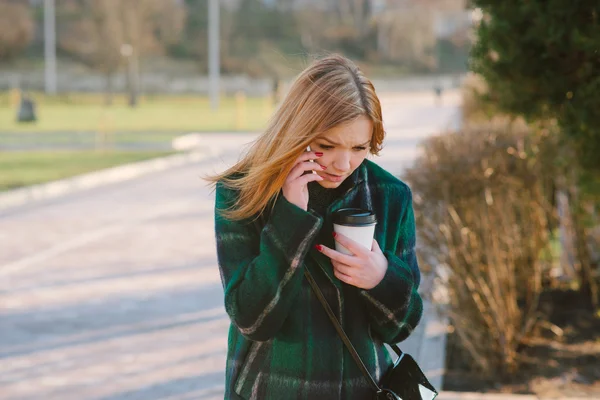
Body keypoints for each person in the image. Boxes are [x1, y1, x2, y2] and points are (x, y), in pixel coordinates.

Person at [206, 54, 423, 400]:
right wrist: (291, 216)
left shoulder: (390, 196)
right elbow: (252, 319)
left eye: (359, 147)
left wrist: (381, 278)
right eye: (326, 146)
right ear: (297, 132)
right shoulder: (242, 192)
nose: (344, 163)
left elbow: (402, 326)